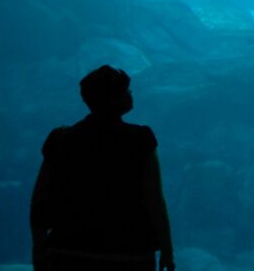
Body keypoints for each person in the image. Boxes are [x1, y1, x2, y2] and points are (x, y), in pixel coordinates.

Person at [30, 66, 175, 271]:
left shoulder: (60, 139)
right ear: (113, 98)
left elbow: (39, 201)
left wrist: (38, 247)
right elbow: (155, 199)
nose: (130, 94)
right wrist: (167, 250)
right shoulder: (140, 139)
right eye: (125, 90)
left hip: (67, 251)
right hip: (130, 254)